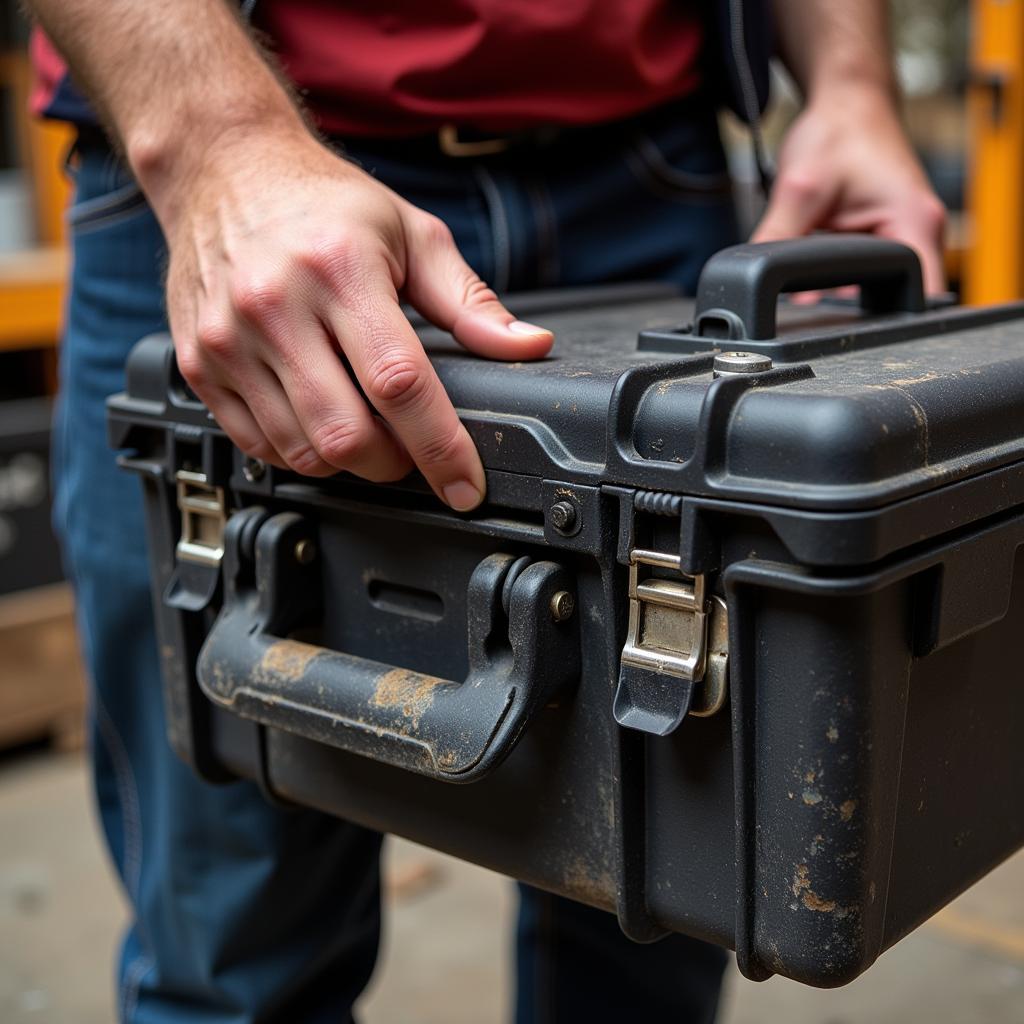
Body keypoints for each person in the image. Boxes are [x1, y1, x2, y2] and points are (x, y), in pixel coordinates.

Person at [26, 1, 945, 1021]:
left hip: (647, 179)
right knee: (232, 960)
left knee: (654, 939)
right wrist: (212, 140)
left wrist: (851, 84)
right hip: (236, 172)